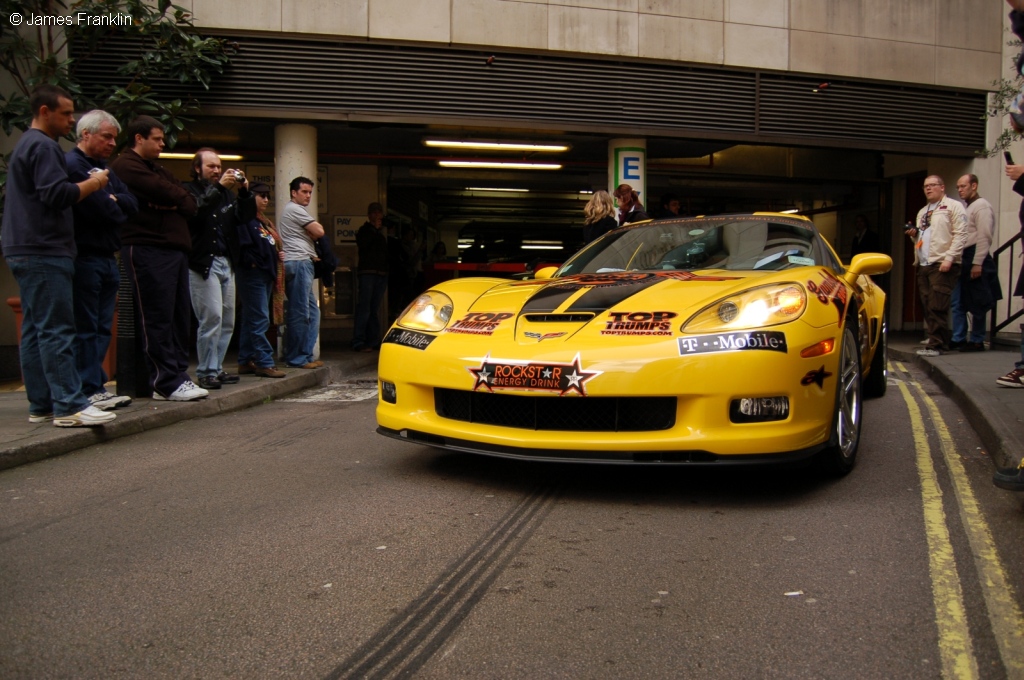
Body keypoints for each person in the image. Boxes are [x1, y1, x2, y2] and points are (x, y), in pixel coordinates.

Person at [1, 85, 117, 427]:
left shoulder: (26, 144)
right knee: (56, 328)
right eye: (66, 113)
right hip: (44, 247)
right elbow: (57, 194)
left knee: (38, 329)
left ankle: (43, 403)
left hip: (26, 246)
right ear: (44, 111)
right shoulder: (43, 146)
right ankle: (68, 405)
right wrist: (96, 184)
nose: (72, 120)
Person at [110, 116, 208, 401]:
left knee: (178, 316)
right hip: (148, 248)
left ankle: (178, 376)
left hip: (174, 249)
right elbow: (173, 194)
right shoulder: (127, 166)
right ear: (139, 138)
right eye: (157, 138)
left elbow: (189, 202)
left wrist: (172, 200)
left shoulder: (156, 168)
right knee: (157, 315)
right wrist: (173, 199)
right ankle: (164, 381)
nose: (163, 143)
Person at [65, 110, 138, 411]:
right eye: (106, 136)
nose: (111, 143)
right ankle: (88, 388)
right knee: (86, 326)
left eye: (113, 138)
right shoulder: (73, 165)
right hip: (85, 256)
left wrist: (115, 200)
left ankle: (97, 385)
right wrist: (113, 202)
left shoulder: (104, 169)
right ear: (86, 134)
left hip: (108, 256)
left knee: (101, 326)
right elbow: (100, 209)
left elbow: (131, 205)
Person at [184, 148, 255, 390]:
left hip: (227, 262)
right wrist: (222, 188)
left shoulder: (226, 196)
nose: (216, 170)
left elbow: (244, 217)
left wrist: (244, 191)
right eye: (211, 166)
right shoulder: (190, 191)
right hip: (204, 262)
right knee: (211, 317)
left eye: (218, 166)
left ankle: (216, 367)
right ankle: (205, 371)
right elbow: (197, 212)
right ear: (197, 168)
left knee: (227, 321)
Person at [906, 175, 967, 357]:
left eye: (932, 185)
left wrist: (949, 258)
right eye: (926, 186)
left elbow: (960, 234)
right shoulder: (923, 211)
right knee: (927, 304)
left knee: (937, 305)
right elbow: (922, 238)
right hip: (924, 263)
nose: (928, 189)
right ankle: (934, 340)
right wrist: (913, 234)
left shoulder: (953, 207)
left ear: (942, 187)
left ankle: (938, 345)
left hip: (942, 262)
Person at [235, 182, 286, 378]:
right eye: (261, 195)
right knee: (260, 318)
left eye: (267, 196)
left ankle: (245, 360)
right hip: (253, 274)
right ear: (250, 197)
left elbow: (268, 245)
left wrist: (276, 255)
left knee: (251, 317)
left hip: (265, 273)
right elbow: (245, 248)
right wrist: (257, 264)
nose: (265, 199)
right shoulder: (244, 219)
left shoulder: (262, 221)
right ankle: (265, 362)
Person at [279, 176, 325, 369]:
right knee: (300, 312)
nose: (308, 196)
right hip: (298, 263)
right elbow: (320, 231)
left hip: (302, 262)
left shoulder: (296, 211)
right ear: (293, 193)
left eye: (310, 192)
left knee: (313, 313)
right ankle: (297, 357)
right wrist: (312, 231)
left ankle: (305, 354)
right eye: (304, 192)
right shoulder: (294, 209)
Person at [951, 174, 999, 352]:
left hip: (975, 256)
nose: (960, 190)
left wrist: (978, 262)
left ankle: (977, 340)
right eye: (958, 187)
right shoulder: (968, 207)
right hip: (964, 257)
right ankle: (959, 338)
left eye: (963, 186)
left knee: (978, 300)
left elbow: (984, 236)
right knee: (960, 301)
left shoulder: (981, 206)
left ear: (974, 186)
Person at [352, 202, 390, 352]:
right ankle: (358, 341)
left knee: (374, 309)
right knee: (364, 308)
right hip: (367, 273)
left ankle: (373, 340)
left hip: (380, 274)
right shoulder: (364, 231)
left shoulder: (381, 234)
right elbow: (364, 245)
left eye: (379, 213)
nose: (377, 216)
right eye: (373, 213)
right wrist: (374, 229)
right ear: (369, 215)